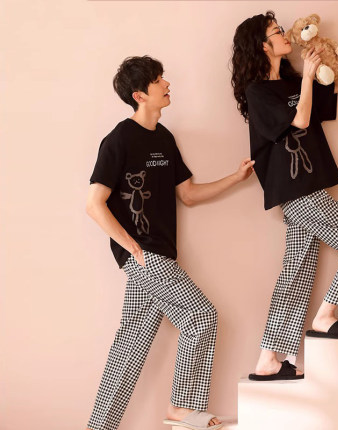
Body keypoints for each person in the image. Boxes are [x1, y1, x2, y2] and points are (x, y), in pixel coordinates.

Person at [85, 55, 255, 430]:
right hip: (145, 255)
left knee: (130, 345)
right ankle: (182, 408)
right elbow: (94, 204)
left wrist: (235, 178)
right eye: (158, 80)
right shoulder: (118, 140)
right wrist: (132, 247)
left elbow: (188, 194)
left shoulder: (164, 138)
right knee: (201, 316)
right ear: (139, 95)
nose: (167, 84)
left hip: (157, 253)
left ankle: (98, 427)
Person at [230, 11, 338, 380]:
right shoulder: (257, 92)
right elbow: (299, 120)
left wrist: (324, 55)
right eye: (277, 32)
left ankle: (268, 359)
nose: (284, 35)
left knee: (295, 275)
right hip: (297, 190)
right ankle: (327, 315)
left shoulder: (293, 82)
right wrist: (309, 78)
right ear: (263, 46)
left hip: (309, 185)